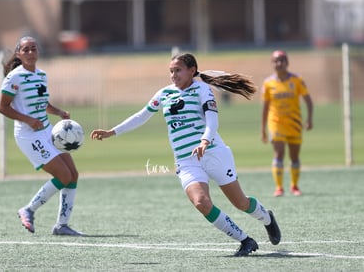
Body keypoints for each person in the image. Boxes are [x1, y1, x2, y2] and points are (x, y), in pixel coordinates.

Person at [90, 53, 281, 257]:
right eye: (171, 71)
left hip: (213, 152)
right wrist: (112, 131)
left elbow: (212, 121)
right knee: (201, 202)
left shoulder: (202, 89)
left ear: (192, 70)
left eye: (178, 70)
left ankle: (267, 219)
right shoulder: (164, 93)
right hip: (186, 160)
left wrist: (205, 140)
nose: (173, 75)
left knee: (240, 202)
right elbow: (141, 116)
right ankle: (245, 240)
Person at [0, 36, 84, 236]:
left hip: (47, 130)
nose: (30, 52)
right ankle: (28, 209)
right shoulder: (14, 78)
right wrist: (28, 120)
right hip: (28, 135)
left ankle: (61, 225)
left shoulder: (41, 75)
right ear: (19, 54)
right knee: (62, 176)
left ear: (38, 52)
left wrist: (59, 112)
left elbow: (42, 103)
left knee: (73, 174)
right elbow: (3, 108)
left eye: (33, 48)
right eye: (25, 49)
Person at [261, 50, 314, 197]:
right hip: (276, 123)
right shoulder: (268, 83)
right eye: (275, 61)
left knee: (294, 156)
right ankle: (279, 187)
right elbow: (265, 107)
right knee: (278, 154)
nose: (279, 63)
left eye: (281, 60)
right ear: (272, 64)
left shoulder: (297, 80)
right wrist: (263, 129)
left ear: (287, 62)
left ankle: (294, 186)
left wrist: (309, 119)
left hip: (294, 123)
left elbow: (308, 101)